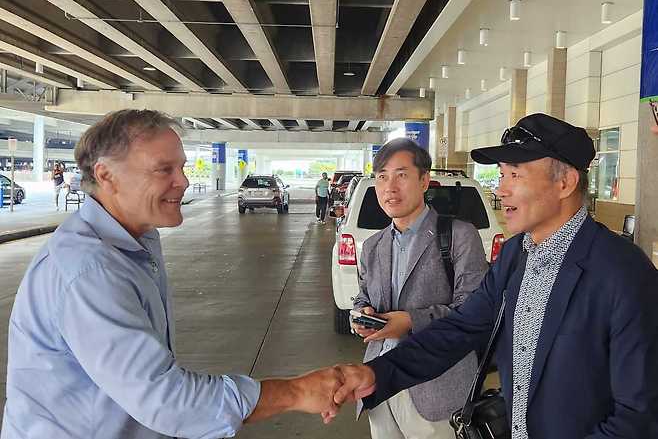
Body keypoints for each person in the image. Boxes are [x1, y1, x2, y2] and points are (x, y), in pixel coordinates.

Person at [1, 110, 343, 439]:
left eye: (181, 167)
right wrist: (297, 392)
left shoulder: (138, 238)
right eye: (164, 169)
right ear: (106, 176)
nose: (183, 181)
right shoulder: (90, 268)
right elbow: (167, 401)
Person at [332, 113, 658, 438]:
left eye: (514, 175)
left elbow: (638, 415)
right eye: (501, 175)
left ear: (565, 182)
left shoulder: (623, 272)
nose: (501, 190)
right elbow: (460, 329)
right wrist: (373, 375)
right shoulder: (516, 256)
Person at [352, 138, 488, 439]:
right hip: (380, 381)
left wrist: (410, 321)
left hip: (436, 386)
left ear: (424, 181)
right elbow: (363, 295)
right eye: (382, 177)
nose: (390, 187)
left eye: (401, 175)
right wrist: (360, 314)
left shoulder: (459, 236)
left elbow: (474, 312)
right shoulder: (374, 246)